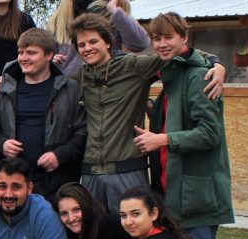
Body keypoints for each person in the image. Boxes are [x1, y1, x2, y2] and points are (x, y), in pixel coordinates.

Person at [137, 12, 233, 239]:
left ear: (183, 38)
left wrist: (162, 139)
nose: (162, 44)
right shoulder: (171, 75)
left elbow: (210, 133)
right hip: (170, 193)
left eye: (168, 37)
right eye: (157, 38)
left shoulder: (198, 77)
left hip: (196, 196)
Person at [71, 13, 226, 212]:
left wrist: (216, 63)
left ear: (108, 42)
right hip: (90, 173)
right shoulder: (79, 78)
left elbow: (181, 53)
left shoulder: (133, 67)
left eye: (93, 41)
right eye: (82, 45)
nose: (87, 48)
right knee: (94, 229)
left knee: (134, 229)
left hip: (128, 169)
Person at [0, 29, 86, 203]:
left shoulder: (70, 89)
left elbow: (82, 132)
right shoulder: (4, 89)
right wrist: (2, 144)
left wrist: (60, 155)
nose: (23, 58)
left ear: (49, 55)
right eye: (20, 52)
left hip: (57, 182)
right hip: (14, 181)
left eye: (31, 53)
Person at [47, 0, 149, 75]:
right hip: (73, 81)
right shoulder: (60, 19)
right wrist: (52, 60)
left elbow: (140, 44)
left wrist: (115, 11)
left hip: (109, 78)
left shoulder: (111, 14)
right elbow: (47, 55)